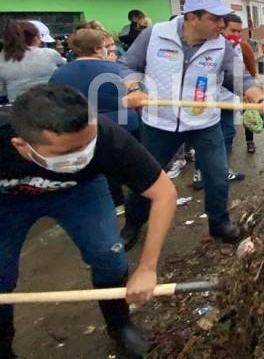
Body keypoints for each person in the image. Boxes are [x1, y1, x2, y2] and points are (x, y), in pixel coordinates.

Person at [0, 84, 177, 357]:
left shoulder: (107, 136)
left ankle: (120, 324)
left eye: (87, 145)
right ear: (21, 145)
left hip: (79, 193)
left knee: (109, 256)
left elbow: (164, 193)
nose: (81, 155)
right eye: (65, 153)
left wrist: (147, 268)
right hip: (8, 202)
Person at [120, 0, 264, 249]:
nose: (222, 25)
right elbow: (127, 65)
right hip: (160, 123)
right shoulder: (155, 35)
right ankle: (133, 223)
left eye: (223, 19)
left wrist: (259, 98)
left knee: (218, 176)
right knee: (146, 177)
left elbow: (240, 78)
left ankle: (219, 223)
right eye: (215, 19)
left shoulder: (221, 45)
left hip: (204, 123)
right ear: (191, 18)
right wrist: (133, 89)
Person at [49, 29, 141, 206]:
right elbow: (137, 99)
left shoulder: (60, 74)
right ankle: (138, 197)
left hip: (82, 128)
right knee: (130, 164)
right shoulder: (118, 69)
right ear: (99, 49)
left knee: (99, 165)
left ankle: (115, 202)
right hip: (123, 126)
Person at [194, 13, 251, 184]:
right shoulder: (208, 46)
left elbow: (244, 73)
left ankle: (222, 170)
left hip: (229, 98)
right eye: (232, 30)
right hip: (208, 98)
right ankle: (201, 173)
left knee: (227, 134)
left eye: (239, 31)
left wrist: (250, 91)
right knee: (204, 136)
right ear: (221, 27)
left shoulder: (240, 47)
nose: (236, 34)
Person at [0, 21, 65, 103]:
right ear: (35, 38)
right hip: (50, 106)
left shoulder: (2, 59)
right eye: (40, 36)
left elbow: (1, 93)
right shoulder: (49, 54)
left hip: (18, 109)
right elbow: (66, 73)